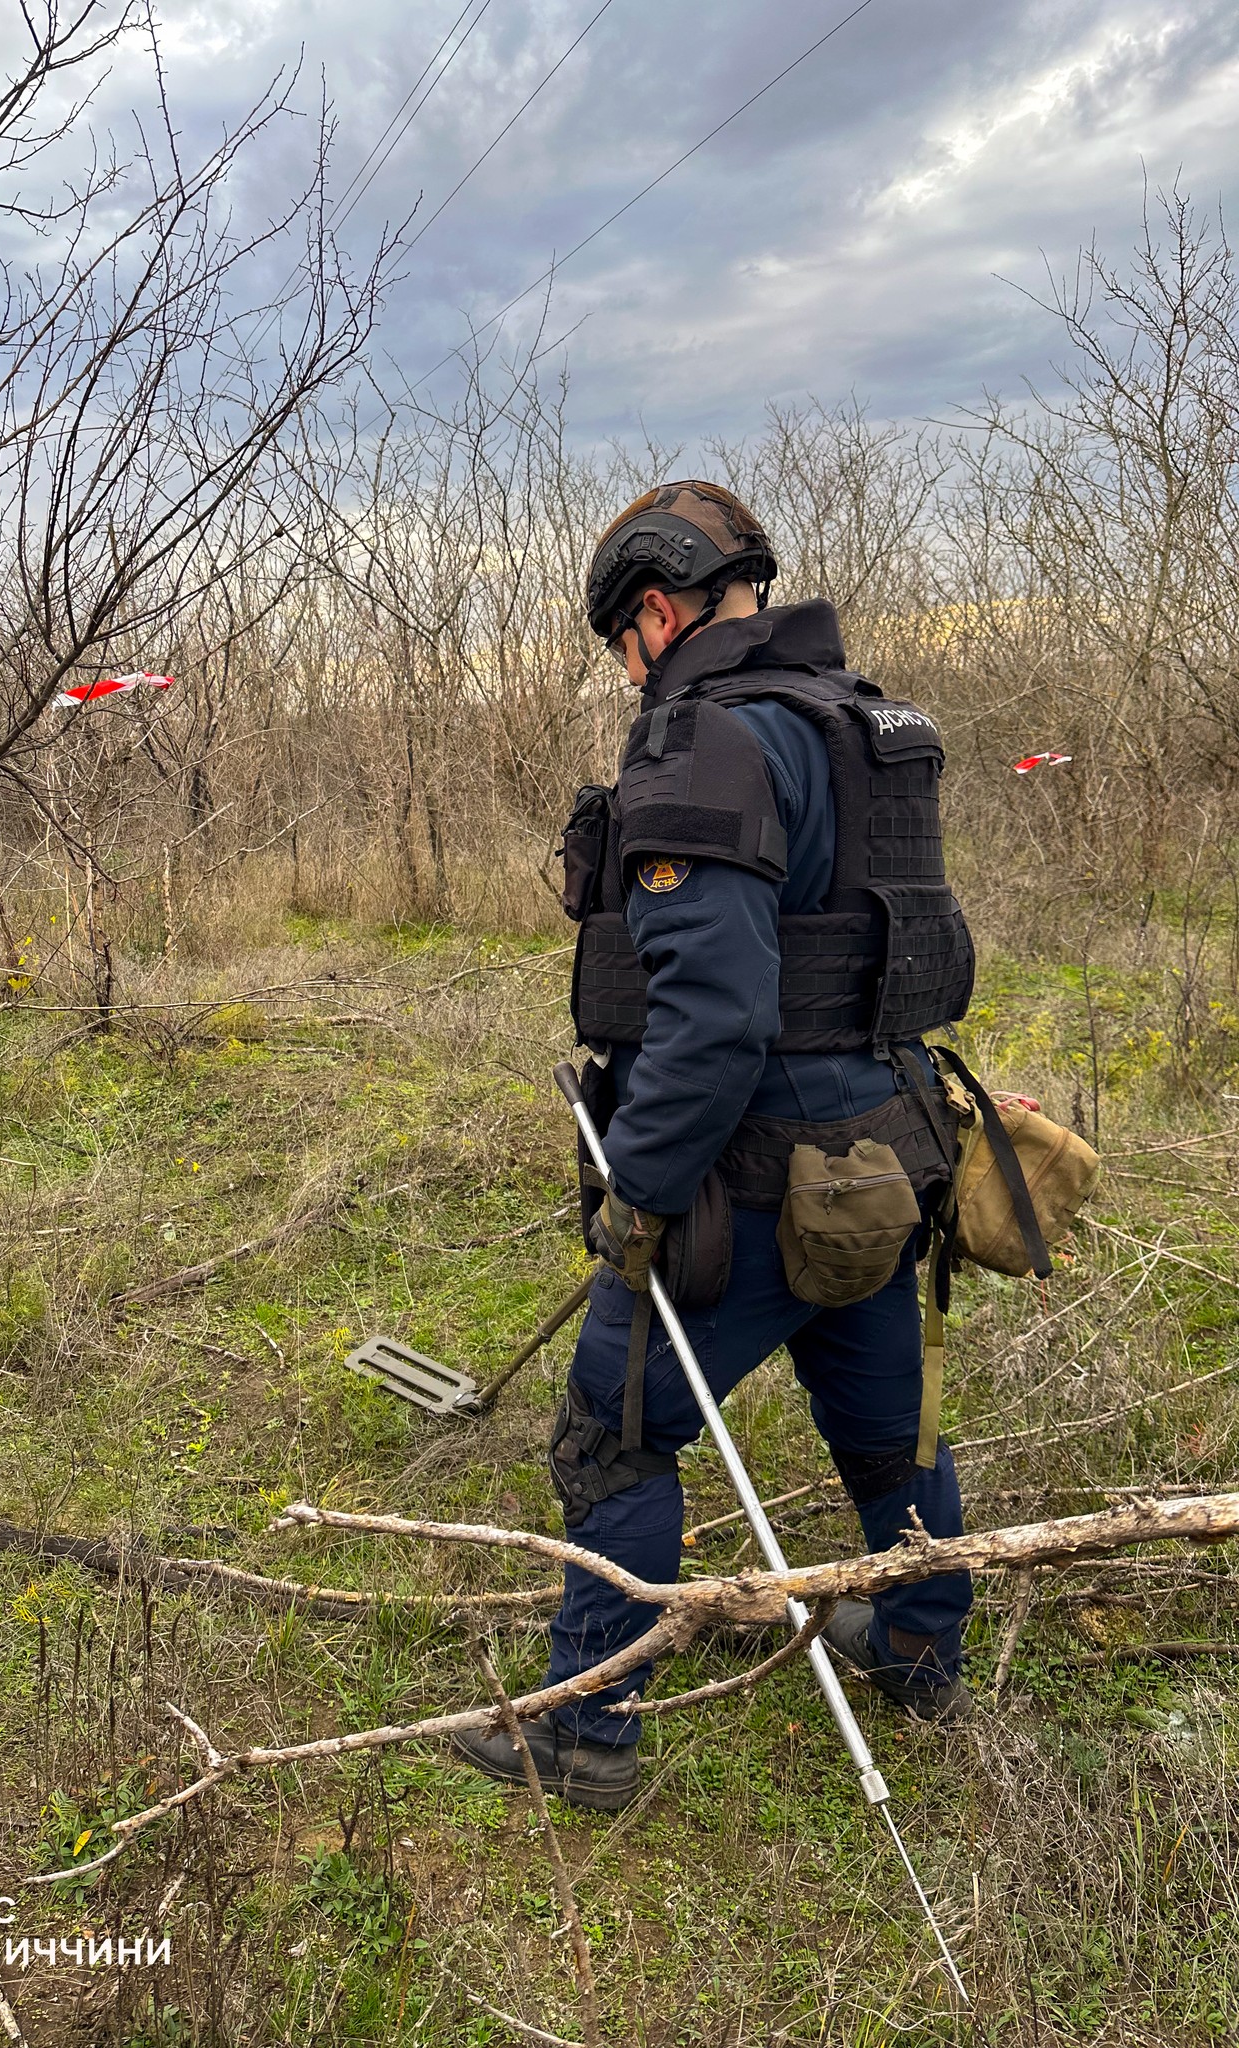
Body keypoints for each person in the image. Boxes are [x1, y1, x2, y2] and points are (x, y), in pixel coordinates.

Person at [452, 481, 977, 1811]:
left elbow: (717, 1015)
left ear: (657, 609)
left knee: (613, 1437)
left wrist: (641, 1189)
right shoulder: (861, 719)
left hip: (748, 1176)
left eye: (624, 634)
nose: (628, 662)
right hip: (886, 1153)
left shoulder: (702, 741)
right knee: (885, 1427)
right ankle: (920, 1649)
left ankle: (585, 1735)